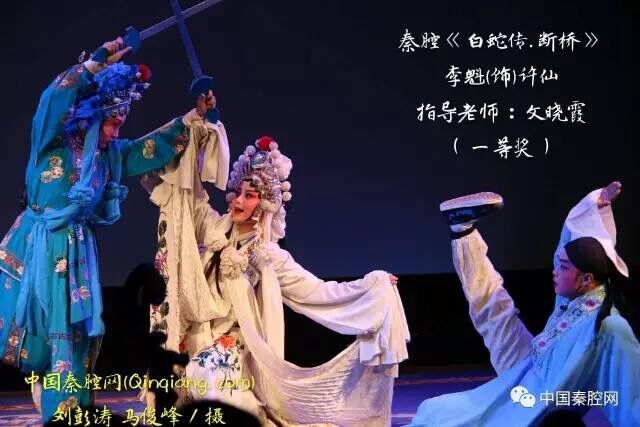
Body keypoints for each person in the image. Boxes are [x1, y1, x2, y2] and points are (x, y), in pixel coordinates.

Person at [0, 36, 218, 421]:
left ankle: (78, 412)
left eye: (121, 125)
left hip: (78, 252)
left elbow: (148, 148)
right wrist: (95, 64)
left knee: (81, 339)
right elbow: (51, 101)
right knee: (56, 337)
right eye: (113, 123)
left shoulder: (108, 156)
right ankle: (61, 415)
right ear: (93, 114)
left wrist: (192, 119)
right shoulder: (51, 142)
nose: (116, 133)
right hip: (42, 248)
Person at [145, 136, 410, 425]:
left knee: (209, 373)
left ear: (264, 206)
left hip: (233, 344)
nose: (238, 200)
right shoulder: (214, 228)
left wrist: (372, 285)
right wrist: (188, 138)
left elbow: (319, 291)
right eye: (238, 192)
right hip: (196, 333)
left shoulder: (268, 256)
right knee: (171, 374)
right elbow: (187, 198)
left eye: (249, 196)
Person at [408, 182, 640, 426]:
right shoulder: (577, 296)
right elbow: (576, 245)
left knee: (448, 416)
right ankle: (462, 230)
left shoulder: (607, 325)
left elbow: (630, 391)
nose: (555, 271)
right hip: (528, 369)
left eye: (562, 267)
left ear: (586, 279)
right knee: (495, 311)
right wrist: (592, 207)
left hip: (537, 401)